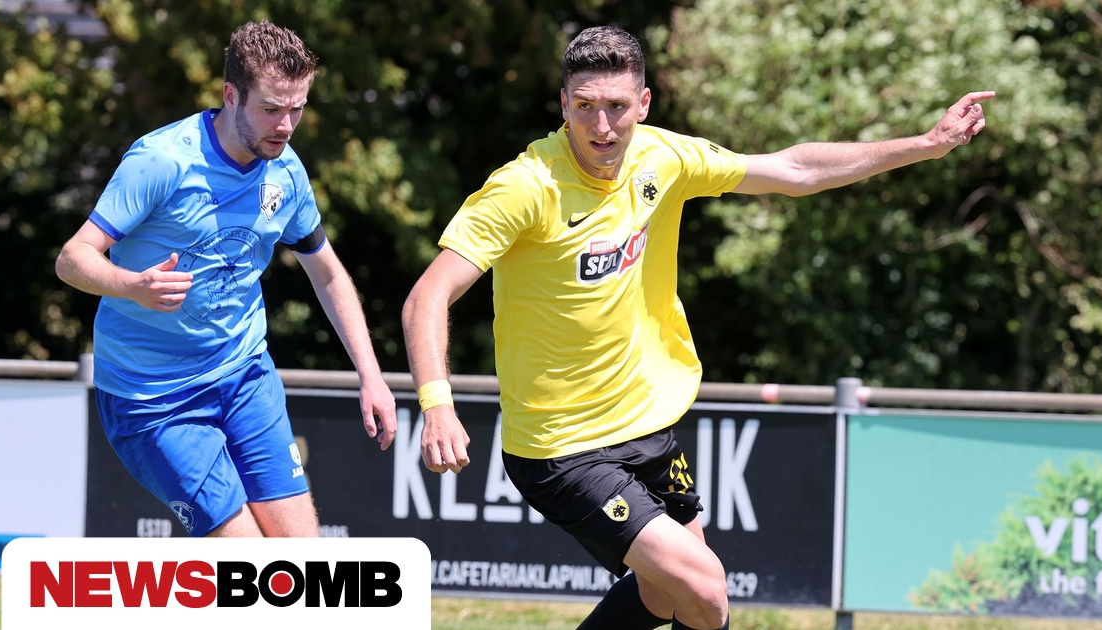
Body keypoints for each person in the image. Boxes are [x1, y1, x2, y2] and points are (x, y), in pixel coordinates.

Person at [402, 25, 993, 630]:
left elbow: (794, 169)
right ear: (563, 105)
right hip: (561, 445)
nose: (601, 126)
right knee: (707, 586)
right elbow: (427, 296)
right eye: (584, 106)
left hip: (646, 425)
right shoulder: (526, 187)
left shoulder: (664, 158)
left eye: (616, 107)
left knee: (670, 596)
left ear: (644, 104)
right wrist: (437, 403)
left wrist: (926, 144)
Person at [55, 20, 397, 538]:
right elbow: (72, 257)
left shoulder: (286, 172)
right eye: (271, 109)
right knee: (248, 560)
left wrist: (371, 375)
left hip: (244, 377)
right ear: (230, 95)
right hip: (152, 397)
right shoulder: (162, 161)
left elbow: (327, 273)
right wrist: (132, 286)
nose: (286, 125)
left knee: (302, 558)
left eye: (297, 109)